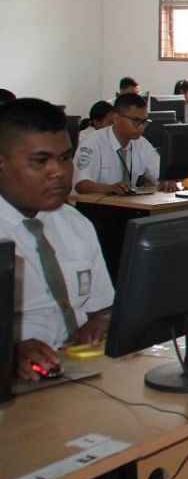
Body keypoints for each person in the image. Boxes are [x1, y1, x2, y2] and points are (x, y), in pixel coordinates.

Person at [1, 99, 114, 380]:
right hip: (15, 386)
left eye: (65, 158)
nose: (59, 172)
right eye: (40, 161)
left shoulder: (75, 224)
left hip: (79, 371)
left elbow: (103, 308)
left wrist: (102, 322)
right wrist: (9, 354)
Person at [73, 94, 164, 195]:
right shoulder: (92, 142)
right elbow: (81, 184)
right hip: (96, 208)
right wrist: (109, 188)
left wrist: (166, 182)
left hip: (132, 207)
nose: (141, 127)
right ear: (116, 118)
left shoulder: (142, 144)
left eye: (144, 121)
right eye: (136, 121)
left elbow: (159, 174)